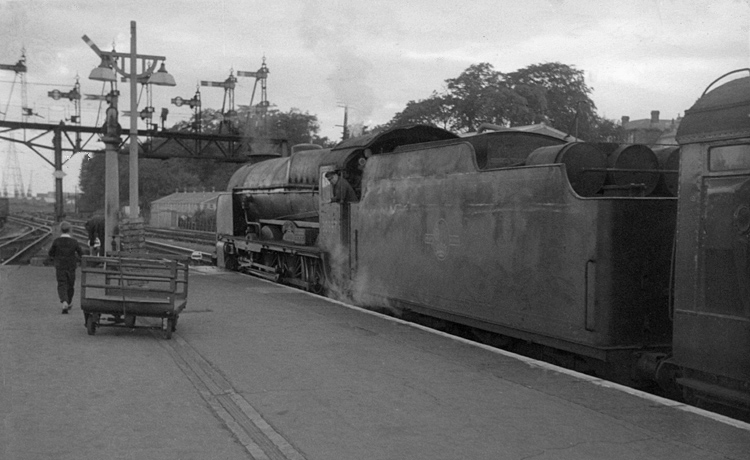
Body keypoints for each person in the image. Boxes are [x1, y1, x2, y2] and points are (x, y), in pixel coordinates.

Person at [48, 221, 83, 314]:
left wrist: (54, 258)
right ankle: (69, 301)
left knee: (62, 283)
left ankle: (64, 301)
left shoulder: (56, 241)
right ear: (70, 230)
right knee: (70, 284)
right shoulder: (74, 242)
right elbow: (81, 253)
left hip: (60, 266)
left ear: (60, 230)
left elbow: (50, 253)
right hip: (71, 266)